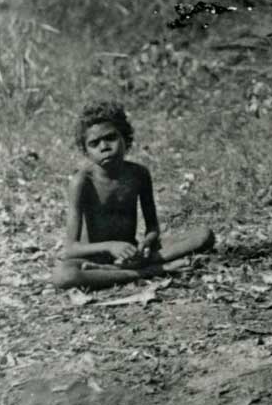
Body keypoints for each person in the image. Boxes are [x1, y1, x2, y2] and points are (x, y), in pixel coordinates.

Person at [50, 102, 214, 290]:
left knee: (204, 235)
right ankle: (151, 272)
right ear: (86, 151)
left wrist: (147, 242)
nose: (104, 147)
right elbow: (71, 248)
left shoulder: (139, 174)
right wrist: (110, 246)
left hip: (131, 254)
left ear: (125, 138)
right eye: (94, 143)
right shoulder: (81, 182)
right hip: (92, 257)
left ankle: (117, 271)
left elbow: (152, 226)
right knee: (63, 276)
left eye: (110, 138)